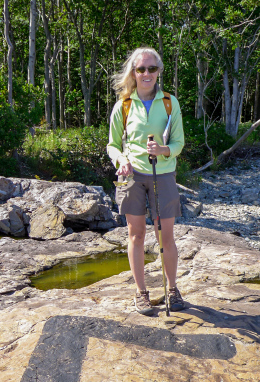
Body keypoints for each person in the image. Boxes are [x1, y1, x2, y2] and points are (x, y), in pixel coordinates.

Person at [107, 47, 185, 316]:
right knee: (136, 235)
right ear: (133, 72)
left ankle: (172, 290)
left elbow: (178, 143)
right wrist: (121, 161)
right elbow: (112, 145)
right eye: (141, 69)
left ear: (158, 71)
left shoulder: (169, 103)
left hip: (162, 175)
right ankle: (141, 293)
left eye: (152, 68)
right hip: (131, 177)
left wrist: (163, 150)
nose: (146, 73)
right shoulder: (124, 105)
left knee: (166, 236)